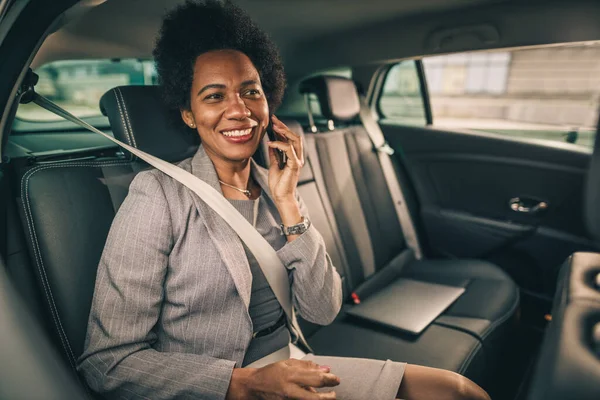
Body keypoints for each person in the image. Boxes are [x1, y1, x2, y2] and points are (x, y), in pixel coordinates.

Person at [77, 1, 492, 399]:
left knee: (458, 391)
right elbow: (108, 363)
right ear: (188, 113)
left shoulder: (276, 185)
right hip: (217, 387)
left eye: (250, 92)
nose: (239, 110)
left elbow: (323, 309)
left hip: (294, 365)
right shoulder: (159, 195)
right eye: (214, 96)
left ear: (268, 100)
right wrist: (242, 385)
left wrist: (289, 202)